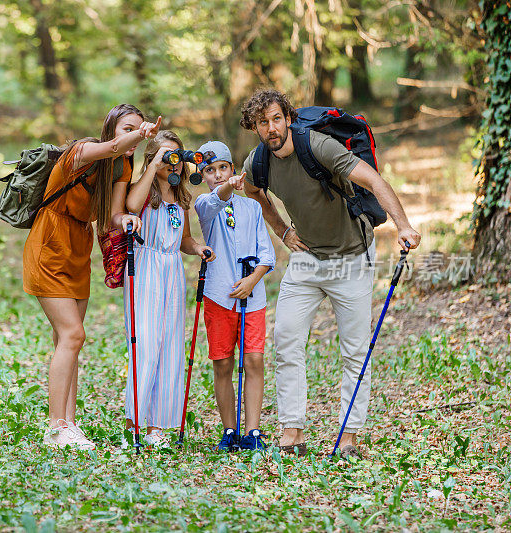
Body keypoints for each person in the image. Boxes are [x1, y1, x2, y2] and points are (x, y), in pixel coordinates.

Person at [239, 89, 421, 458]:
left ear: (288, 118)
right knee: (287, 341)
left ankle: (349, 437)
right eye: (263, 122)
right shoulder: (258, 161)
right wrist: (282, 231)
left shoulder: (319, 146)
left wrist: (403, 225)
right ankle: (292, 432)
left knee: (355, 351)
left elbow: (372, 180)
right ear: (254, 127)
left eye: (276, 118)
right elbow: (255, 192)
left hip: (352, 258)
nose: (271, 128)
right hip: (307, 260)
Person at [23, 104, 161, 449]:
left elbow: (113, 213)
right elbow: (114, 148)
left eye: (140, 128)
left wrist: (124, 221)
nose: (134, 134)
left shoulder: (124, 166)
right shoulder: (82, 152)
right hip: (49, 243)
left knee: (66, 341)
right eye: (128, 127)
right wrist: (141, 134)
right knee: (73, 334)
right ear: (111, 129)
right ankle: (56, 426)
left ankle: (68, 424)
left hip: (78, 247)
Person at [122, 130, 215, 448]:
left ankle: (157, 426)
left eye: (177, 156)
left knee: (170, 345)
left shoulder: (181, 198)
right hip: (145, 268)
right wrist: (152, 167)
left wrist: (197, 247)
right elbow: (131, 206)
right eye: (166, 156)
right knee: (145, 342)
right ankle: (135, 421)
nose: (173, 163)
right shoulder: (145, 192)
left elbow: (184, 239)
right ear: (153, 159)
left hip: (172, 272)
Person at [193, 141, 275, 451]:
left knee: (254, 359)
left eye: (223, 168)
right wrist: (225, 186)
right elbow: (217, 198)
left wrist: (252, 280)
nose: (217, 174)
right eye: (209, 170)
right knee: (223, 363)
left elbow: (267, 254)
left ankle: (252, 431)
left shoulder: (251, 207)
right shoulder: (205, 205)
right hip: (219, 295)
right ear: (203, 176)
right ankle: (229, 429)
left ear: (232, 168)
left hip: (252, 298)